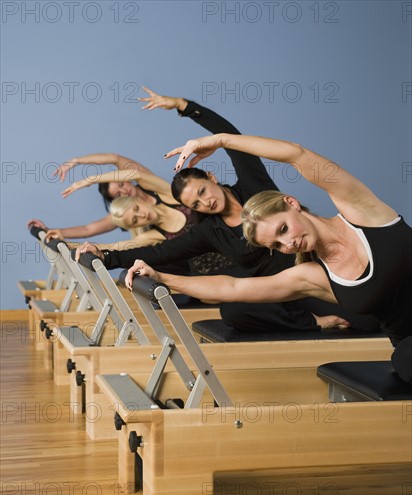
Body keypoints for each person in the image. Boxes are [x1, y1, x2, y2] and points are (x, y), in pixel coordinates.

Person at [78, 88, 380, 332]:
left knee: (368, 319)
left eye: (203, 192)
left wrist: (183, 106)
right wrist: (107, 256)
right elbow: (160, 253)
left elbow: (232, 138)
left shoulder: (253, 184)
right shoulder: (210, 231)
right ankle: (313, 324)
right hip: (276, 296)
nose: (205, 202)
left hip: (316, 276)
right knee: (234, 309)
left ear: (211, 177)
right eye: (195, 204)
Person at [123, 133, 412, 383]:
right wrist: (163, 279)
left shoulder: (361, 210)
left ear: (291, 203)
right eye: (277, 244)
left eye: (283, 228)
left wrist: (222, 140)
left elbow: (297, 154)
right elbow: (232, 289)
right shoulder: (312, 275)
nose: (289, 243)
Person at [27, 152, 178, 241]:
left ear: (125, 177)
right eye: (118, 194)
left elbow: (115, 158)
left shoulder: (148, 182)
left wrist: (76, 161)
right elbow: (87, 229)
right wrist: (49, 230)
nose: (124, 192)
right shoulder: (126, 213)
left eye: (121, 185)